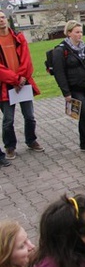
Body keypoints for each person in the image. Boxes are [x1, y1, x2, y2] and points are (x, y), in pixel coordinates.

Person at [51, 20, 85, 160]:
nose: (80, 35)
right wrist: (66, 93)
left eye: (81, 32)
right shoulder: (60, 51)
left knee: (84, 116)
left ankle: (83, 142)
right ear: (69, 33)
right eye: (77, 32)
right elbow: (59, 73)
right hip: (74, 89)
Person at [0, 11, 43, 163]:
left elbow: (27, 60)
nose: (1, 20)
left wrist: (22, 78)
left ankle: (31, 140)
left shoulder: (18, 37)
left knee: (30, 116)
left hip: (23, 83)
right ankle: (10, 146)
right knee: (8, 120)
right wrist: (15, 79)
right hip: (5, 86)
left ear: (7, 19)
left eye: (3, 17)